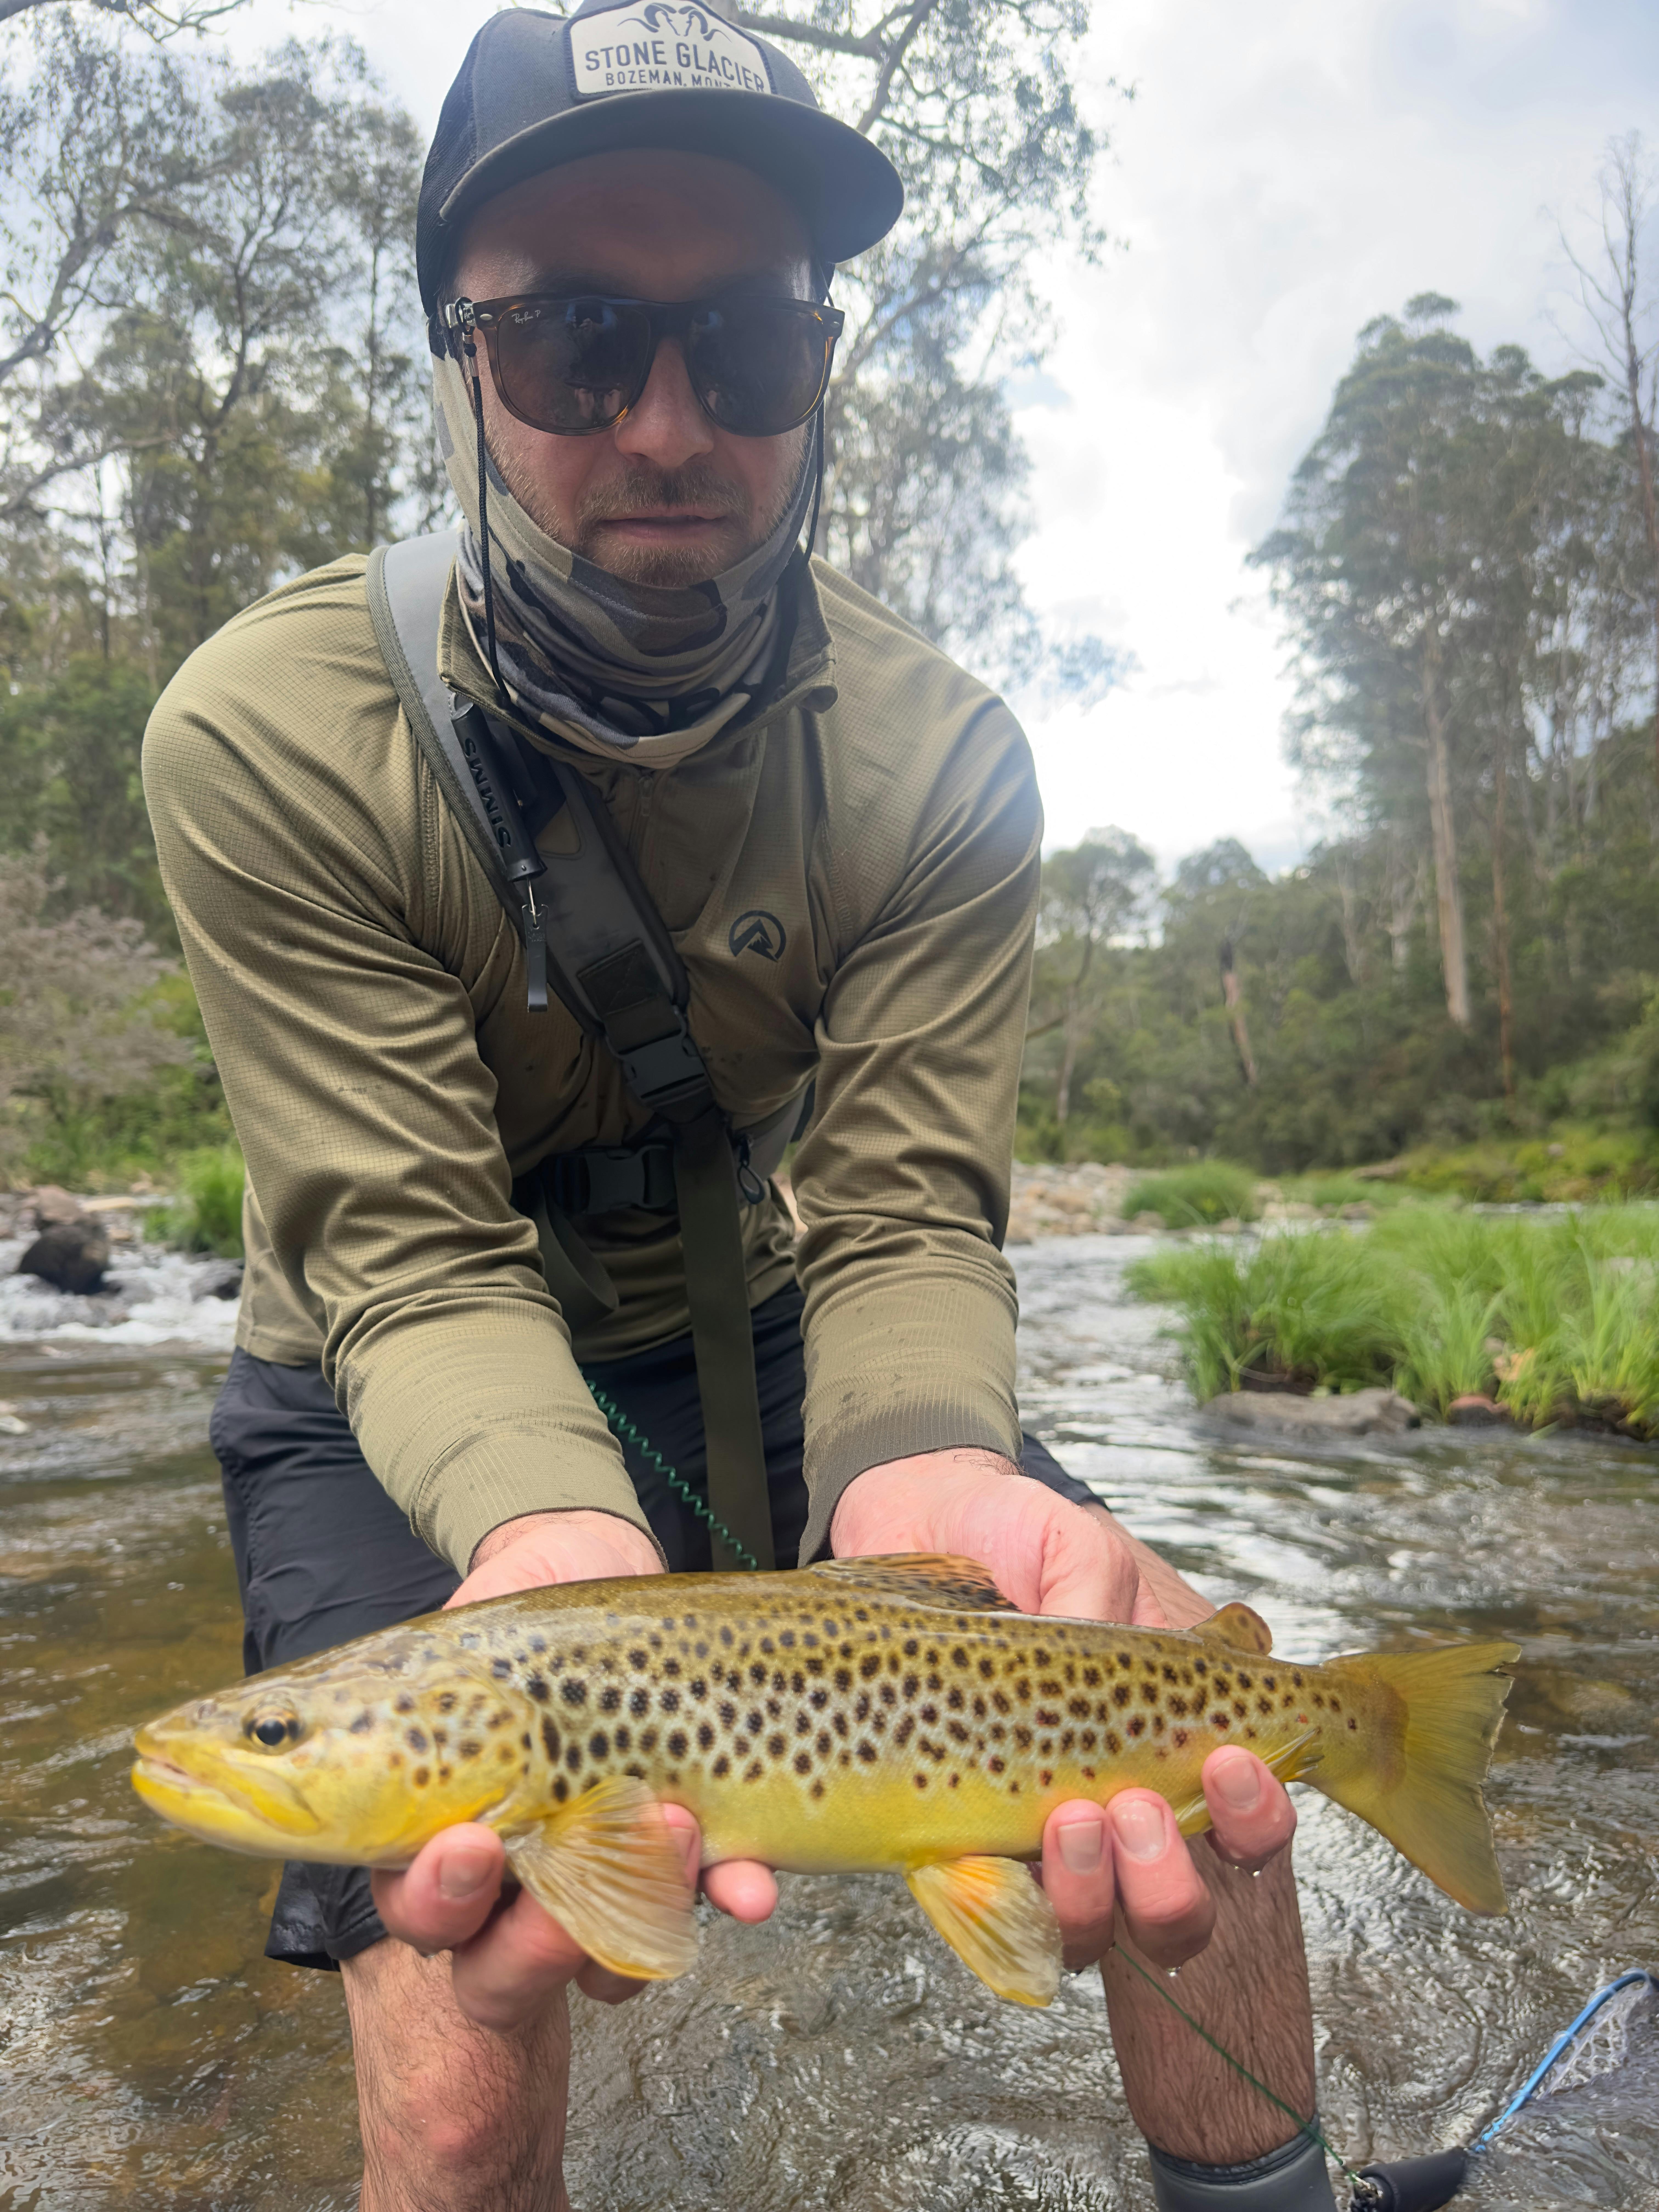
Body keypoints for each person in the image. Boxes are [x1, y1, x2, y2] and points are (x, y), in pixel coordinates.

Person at [144, 6, 1336, 2207]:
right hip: (396, 1359)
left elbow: (898, 1222)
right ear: (460, 359)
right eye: (580, 342)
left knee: (1174, 1747)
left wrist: (938, 1482)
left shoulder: (942, 752)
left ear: (819, 363)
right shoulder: (271, 735)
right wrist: (546, 1566)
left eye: (748, 348)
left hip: (782, 1320)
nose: (671, 422)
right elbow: (405, 1252)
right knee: (448, 1958)